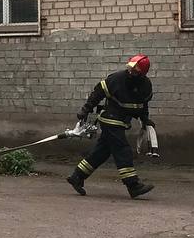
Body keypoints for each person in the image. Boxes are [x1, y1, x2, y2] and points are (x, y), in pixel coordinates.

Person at [66, 54, 155, 199]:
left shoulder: (145, 86)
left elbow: (142, 104)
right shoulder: (116, 78)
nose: (131, 73)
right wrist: (86, 109)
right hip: (110, 120)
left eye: (135, 71)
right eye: (130, 69)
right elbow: (98, 93)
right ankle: (133, 185)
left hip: (122, 121)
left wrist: (145, 119)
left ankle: (77, 176)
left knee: (102, 152)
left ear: (142, 73)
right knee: (123, 150)